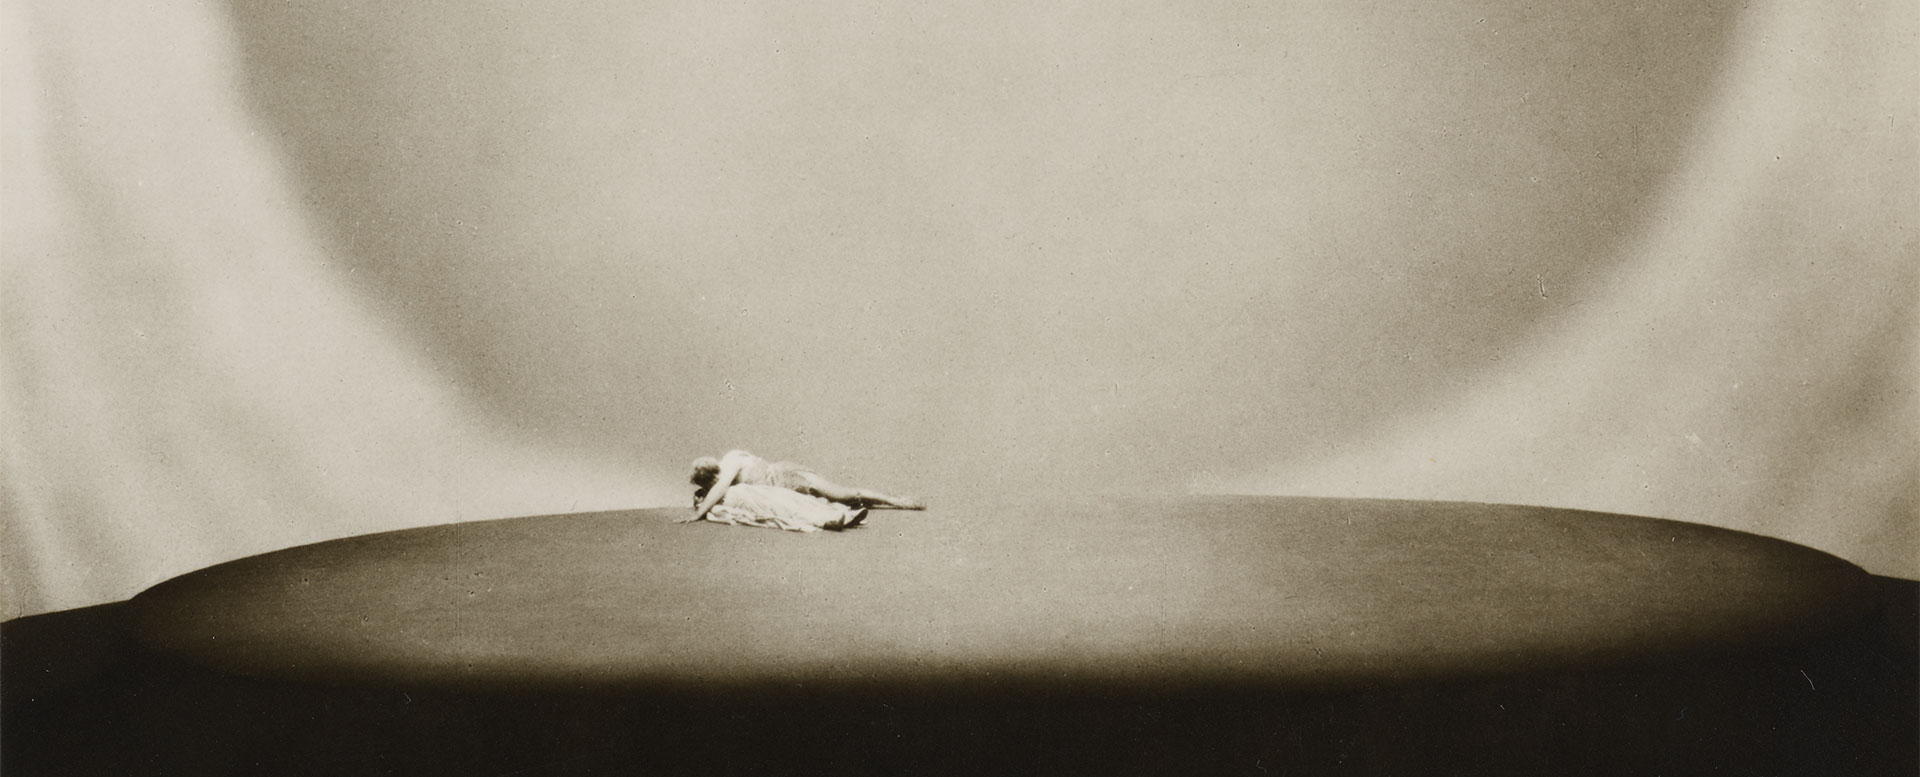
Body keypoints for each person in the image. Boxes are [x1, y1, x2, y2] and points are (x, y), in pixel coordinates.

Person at [682, 450, 925, 532]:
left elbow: (720, 489)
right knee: (840, 502)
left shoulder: (730, 464)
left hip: (789, 478)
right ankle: (872, 506)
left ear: (711, 476)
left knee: (846, 495)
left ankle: (897, 501)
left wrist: (698, 514)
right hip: (784, 489)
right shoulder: (728, 463)